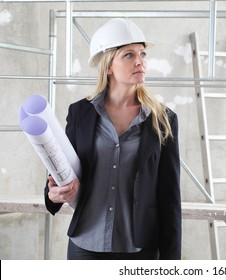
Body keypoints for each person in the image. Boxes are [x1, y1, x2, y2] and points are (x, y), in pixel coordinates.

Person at [44, 18, 181, 260]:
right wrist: (52, 195)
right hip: (85, 246)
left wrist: (172, 265)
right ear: (108, 66)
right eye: (128, 55)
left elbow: (169, 198)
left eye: (143, 53)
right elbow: (59, 170)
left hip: (140, 250)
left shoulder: (163, 119)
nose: (140, 61)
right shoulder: (80, 114)